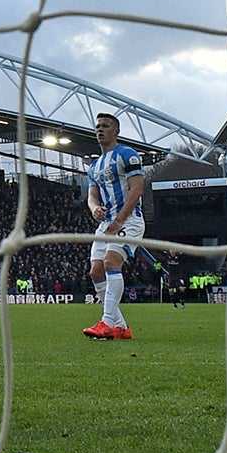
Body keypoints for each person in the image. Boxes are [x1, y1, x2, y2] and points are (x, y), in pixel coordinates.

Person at [82, 111, 146, 341]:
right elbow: (91, 195)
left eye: (106, 126)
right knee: (96, 272)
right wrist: (94, 208)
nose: (100, 129)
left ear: (116, 131)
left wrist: (119, 219)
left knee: (110, 262)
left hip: (129, 220)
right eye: (98, 126)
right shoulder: (94, 165)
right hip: (106, 225)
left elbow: (137, 189)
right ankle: (121, 326)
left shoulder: (127, 155)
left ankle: (106, 323)